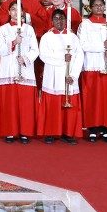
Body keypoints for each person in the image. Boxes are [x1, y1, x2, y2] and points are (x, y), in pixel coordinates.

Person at [79, 0, 107, 143]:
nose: (99, 8)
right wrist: (102, 47)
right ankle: (92, 128)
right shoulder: (85, 24)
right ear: (90, 8)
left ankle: (106, 128)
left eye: (101, 5)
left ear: (105, 8)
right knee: (92, 98)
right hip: (92, 65)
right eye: (96, 5)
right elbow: (83, 44)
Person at [0, 3, 39, 144]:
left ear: (23, 12)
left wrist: (25, 59)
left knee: (25, 103)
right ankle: (10, 131)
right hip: (8, 70)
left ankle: (25, 132)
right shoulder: (3, 29)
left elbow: (35, 50)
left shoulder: (29, 29)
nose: (15, 12)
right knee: (10, 103)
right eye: (13, 9)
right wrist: (13, 42)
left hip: (25, 70)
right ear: (9, 11)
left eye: (19, 10)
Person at [38, 11, 84, 144]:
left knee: (69, 105)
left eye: (61, 18)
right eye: (56, 19)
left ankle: (68, 133)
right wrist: (61, 58)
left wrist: (73, 75)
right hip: (53, 75)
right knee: (52, 104)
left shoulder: (73, 37)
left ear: (65, 20)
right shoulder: (47, 37)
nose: (59, 21)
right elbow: (43, 55)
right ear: (52, 21)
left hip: (69, 76)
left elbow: (79, 56)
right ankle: (50, 132)